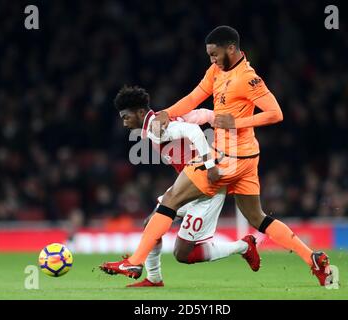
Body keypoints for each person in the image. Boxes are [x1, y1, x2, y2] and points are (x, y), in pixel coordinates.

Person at [101, 26, 333, 286]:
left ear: (231, 48)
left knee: (170, 199)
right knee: (257, 217)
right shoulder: (216, 71)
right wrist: (166, 112)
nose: (211, 59)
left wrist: (236, 122)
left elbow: (275, 113)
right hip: (246, 157)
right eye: (209, 55)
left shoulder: (248, 78)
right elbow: (193, 97)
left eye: (214, 54)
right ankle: (313, 258)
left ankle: (134, 262)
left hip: (228, 156)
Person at [107, 85, 260, 287]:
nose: (124, 123)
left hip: (206, 187)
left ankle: (243, 246)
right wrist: (221, 121)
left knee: (183, 254)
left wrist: (210, 164)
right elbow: (201, 114)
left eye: (126, 117)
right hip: (189, 183)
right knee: (152, 224)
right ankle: (154, 278)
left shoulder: (156, 127)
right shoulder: (165, 118)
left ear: (141, 112)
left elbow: (194, 131)